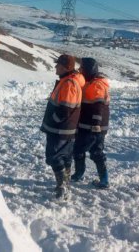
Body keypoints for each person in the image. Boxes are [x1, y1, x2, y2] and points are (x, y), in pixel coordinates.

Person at [40, 54, 85, 199]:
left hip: (60, 129)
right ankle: (65, 185)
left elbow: (65, 109)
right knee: (65, 158)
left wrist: (53, 120)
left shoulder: (69, 83)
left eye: (58, 65)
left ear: (66, 67)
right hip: (65, 129)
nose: (55, 67)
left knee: (54, 157)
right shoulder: (68, 81)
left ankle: (62, 187)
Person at [71, 57, 111, 189]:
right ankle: (104, 179)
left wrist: (95, 123)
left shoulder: (96, 84)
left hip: (91, 127)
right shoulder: (92, 82)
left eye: (82, 68)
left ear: (89, 69)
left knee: (79, 150)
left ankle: (79, 173)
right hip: (95, 127)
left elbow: (98, 104)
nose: (80, 70)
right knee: (96, 152)